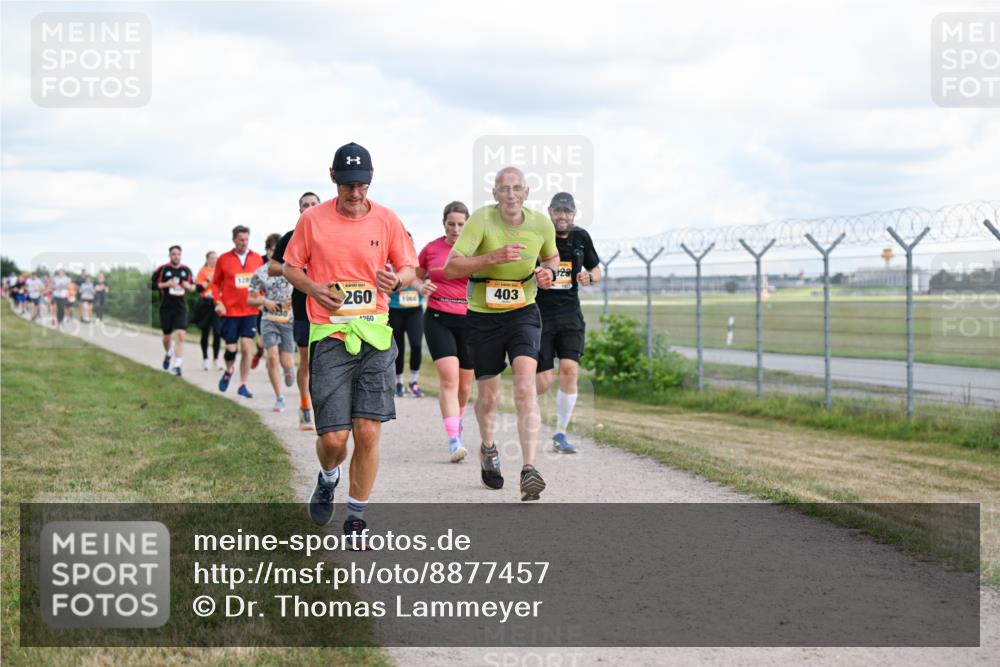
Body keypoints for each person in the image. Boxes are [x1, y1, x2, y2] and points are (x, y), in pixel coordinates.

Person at [284, 142, 417, 536]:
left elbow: (408, 266)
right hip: (329, 335)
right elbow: (291, 267)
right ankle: (328, 477)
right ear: (332, 178)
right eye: (347, 185)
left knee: (368, 429)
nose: (355, 193)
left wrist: (398, 280)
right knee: (334, 437)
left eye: (361, 185)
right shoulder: (312, 221)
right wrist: (313, 288)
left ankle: (356, 514)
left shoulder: (388, 220)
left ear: (370, 181)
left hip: (375, 334)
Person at [443, 166, 559, 501]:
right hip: (482, 316)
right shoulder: (481, 220)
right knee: (489, 397)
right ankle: (489, 447)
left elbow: (552, 256)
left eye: (516, 188)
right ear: (495, 193)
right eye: (504, 189)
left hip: (524, 311)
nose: (510, 194)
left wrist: (547, 272)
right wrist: (492, 256)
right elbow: (452, 266)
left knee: (525, 386)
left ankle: (529, 469)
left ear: (527, 191)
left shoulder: (540, 223)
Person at [535, 192, 602, 454]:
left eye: (567, 212)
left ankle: (561, 433)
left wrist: (590, 277)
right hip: (540, 316)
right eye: (558, 211)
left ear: (573, 214)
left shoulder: (581, 237)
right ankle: (528, 417)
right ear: (550, 212)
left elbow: (597, 268)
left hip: (570, 315)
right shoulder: (541, 235)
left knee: (569, 369)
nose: (562, 216)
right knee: (543, 382)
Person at [417, 201, 474, 462]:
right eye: (451, 224)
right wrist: (421, 286)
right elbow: (415, 276)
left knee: (464, 384)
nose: (455, 229)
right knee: (449, 378)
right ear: (444, 224)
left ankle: (457, 422)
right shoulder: (431, 249)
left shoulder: (476, 250)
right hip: (438, 317)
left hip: (470, 321)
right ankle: (454, 441)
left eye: (461, 224)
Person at [270, 192, 321, 430]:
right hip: (303, 307)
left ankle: (330, 407)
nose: (309, 208)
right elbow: (272, 268)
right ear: (299, 210)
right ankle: (305, 406)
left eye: (314, 204)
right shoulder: (291, 237)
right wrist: (294, 270)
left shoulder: (331, 233)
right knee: (308, 362)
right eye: (305, 205)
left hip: (332, 306)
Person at [212, 226, 264, 398]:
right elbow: (215, 284)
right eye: (241, 239)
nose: (244, 242)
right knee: (231, 350)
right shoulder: (224, 259)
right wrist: (218, 302)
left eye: (246, 239)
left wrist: (262, 299)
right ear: (234, 239)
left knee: (247, 347)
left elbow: (262, 282)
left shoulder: (257, 258)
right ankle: (229, 369)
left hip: (250, 311)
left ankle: (243, 384)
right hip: (230, 311)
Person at [249, 233, 296, 412]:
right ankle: (279, 397)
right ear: (267, 251)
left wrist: (292, 301)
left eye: (278, 250)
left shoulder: (292, 269)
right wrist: (264, 302)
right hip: (268, 320)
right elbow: (250, 299)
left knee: (285, 360)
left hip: (288, 320)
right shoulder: (260, 272)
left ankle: (289, 369)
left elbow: (302, 289)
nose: (274, 253)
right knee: (272, 357)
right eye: (271, 250)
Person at [388, 232, 425, 398]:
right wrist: (405, 282)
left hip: (415, 310)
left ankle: (414, 381)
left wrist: (424, 286)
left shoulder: (418, 263)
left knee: (416, 345)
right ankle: (398, 382)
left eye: (410, 242)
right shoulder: (390, 263)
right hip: (395, 309)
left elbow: (425, 283)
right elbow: (387, 289)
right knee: (399, 348)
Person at [152, 245, 195, 376]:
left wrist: (189, 287)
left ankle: (177, 366)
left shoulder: (186, 270)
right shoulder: (163, 269)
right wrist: (166, 284)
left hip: (181, 307)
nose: (176, 256)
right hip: (166, 307)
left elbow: (193, 287)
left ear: (181, 255)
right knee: (166, 338)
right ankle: (168, 352)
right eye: (174, 254)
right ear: (169, 255)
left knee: (181, 335)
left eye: (178, 254)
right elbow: (151, 285)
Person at [193, 252, 223, 370]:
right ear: (207, 259)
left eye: (216, 258)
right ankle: (205, 358)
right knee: (205, 331)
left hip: (217, 303)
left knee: (217, 332)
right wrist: (208, 280)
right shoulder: (203, 271)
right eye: (212, 258)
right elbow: (198, 289)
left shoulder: (220, 271)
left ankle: (216, 359)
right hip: (205, 302)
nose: (214, 260)